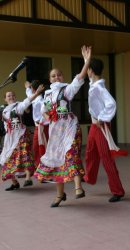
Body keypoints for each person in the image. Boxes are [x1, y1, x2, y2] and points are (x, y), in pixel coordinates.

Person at [34, 45, 92, 207]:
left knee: (71, 152)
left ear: (62, 76)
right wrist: (49, 116)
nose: (57, 77)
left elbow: (80, 78)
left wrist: (86, 61)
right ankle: (60, 195)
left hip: (69, 126)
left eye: (59, 75)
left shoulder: (67, 90)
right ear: (49, 79)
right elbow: (43, 111)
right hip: (55, 130)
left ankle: (78, 187)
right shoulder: (47, 94)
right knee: (57, 160)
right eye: (53, 76)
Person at [83, 58, 125, 203]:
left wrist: (102, 118)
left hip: (100, 126)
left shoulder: (99, 88)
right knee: (90, 153)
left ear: (90, 71)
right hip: (95, 126)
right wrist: (86, 59)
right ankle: (90, 177)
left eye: (87, 68)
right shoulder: (94, 85)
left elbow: (111, 103)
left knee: (106, 158)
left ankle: (117, 191)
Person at [0, 86, 45, 191]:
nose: (11, 97)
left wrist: (36, 93)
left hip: (21, 135)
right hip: (10, 138)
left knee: (24, 155)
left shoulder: (18, 106)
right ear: (5, 99)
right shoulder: (3, 110)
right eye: (8, 96)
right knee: (7, 159)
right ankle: (15, 183)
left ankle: (28, 178)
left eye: (12, 95)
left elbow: (27, 101)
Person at [25, 80, 49, 167]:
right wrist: (28, 87)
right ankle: (38, 167)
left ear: (33, 89)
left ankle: (42, 168)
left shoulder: (42, 100)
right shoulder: (34, 97)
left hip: (42, 126)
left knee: (40, 147)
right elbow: (28, 93)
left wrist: (28, 87)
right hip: (38, 126)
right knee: (36, 147)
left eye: (31, 88)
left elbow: (47, 112)